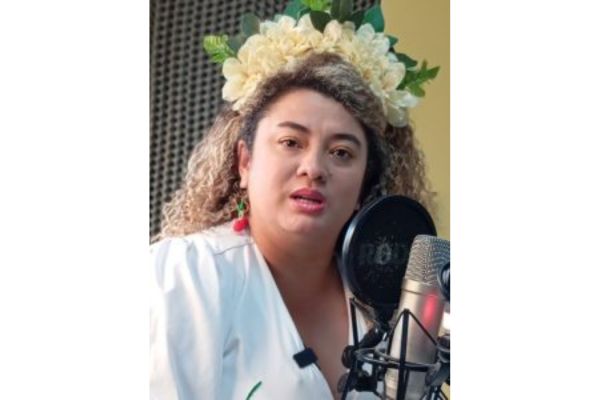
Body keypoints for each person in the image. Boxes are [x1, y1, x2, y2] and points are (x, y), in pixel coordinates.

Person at [150, 6, 436, 399]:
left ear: (365, 185)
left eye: (341, 153)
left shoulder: (394, 305)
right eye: (291, 142)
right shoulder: (188, 274)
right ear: (244, 162)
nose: (313, 168)